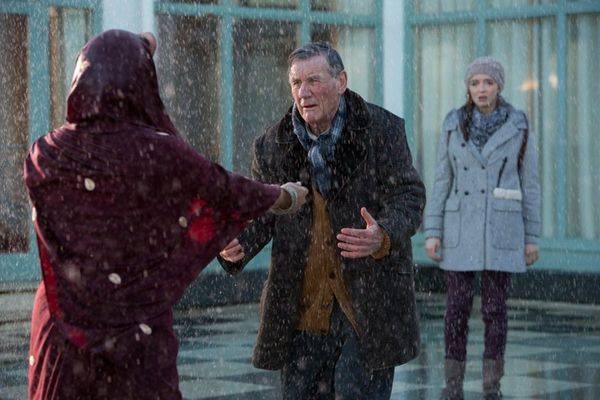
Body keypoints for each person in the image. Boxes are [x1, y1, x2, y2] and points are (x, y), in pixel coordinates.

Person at [23, 29, 307, 400]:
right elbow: (222, 188)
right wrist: (282, 197)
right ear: (139, 82)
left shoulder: (45, 153)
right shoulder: (157, 153)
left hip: (62, 322)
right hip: (135, 326)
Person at [218, 42, 426, 400]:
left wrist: (384, 235)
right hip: (300, 311)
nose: (303, 92)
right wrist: (238, 244)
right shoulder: (272, 144)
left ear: (341, 80)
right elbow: (265, 212)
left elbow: (410, 196)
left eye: (313, 80)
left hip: (367, 305)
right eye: (296, 83)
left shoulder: (382, 130)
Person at [424, 56, 541, 400]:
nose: (481, 90)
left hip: (501, 227)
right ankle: (453, 381)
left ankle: (493, 383)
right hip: (460, 224)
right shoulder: (453, 123)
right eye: (475, 83)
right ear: (468, 87)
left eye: (487, 83)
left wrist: (531, 237)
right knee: (456, 307)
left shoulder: (518, 125)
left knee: (495, 309)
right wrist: (433, 231)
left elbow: (529, 183)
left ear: (499, 86)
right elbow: (441, 180)